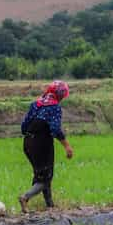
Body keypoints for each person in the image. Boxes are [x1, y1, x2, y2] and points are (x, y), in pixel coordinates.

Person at [19, 80, 74, 213]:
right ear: (60, 95)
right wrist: (67, 146)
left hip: (27, 142)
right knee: (44, 178)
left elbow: (23, 127)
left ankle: (50, 205)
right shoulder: (54, 107)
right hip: (41, 144)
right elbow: (55, 129)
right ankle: (25, 197)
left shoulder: (36, 104)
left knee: (42, 174)